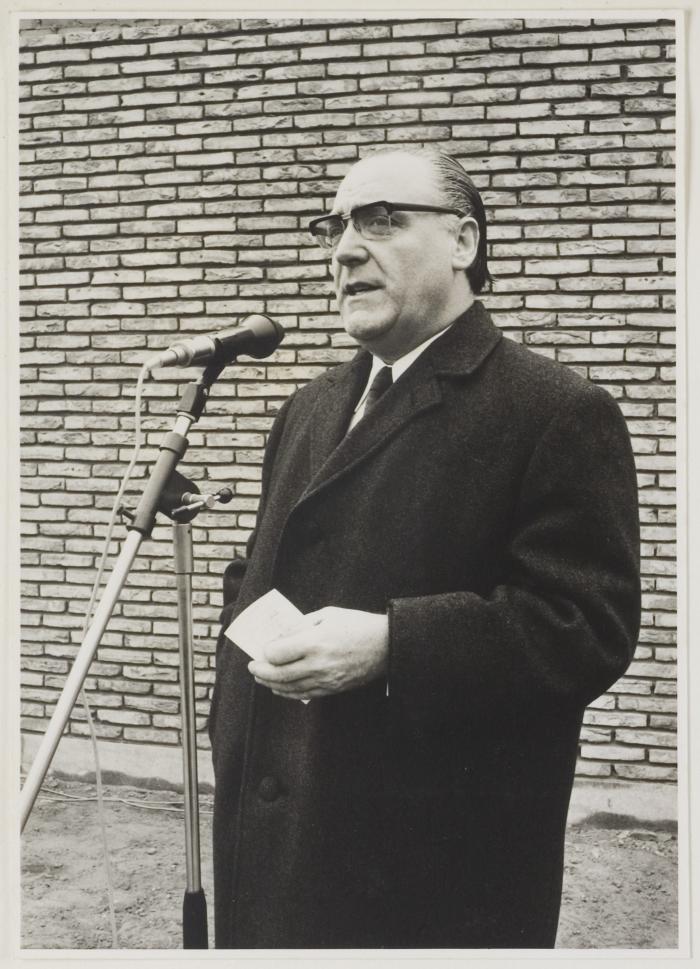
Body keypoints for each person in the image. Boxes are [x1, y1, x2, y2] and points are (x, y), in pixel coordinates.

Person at [208, 147, 641, 949]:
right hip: (272, 841)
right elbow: (258, 567)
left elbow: (586, 627)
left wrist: (393, 644)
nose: (344, 250)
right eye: (334, 227)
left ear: (463, 241)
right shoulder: (309, 406)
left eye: (381, 220)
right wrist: (234, 698)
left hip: (426, 873)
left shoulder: (556, 410)